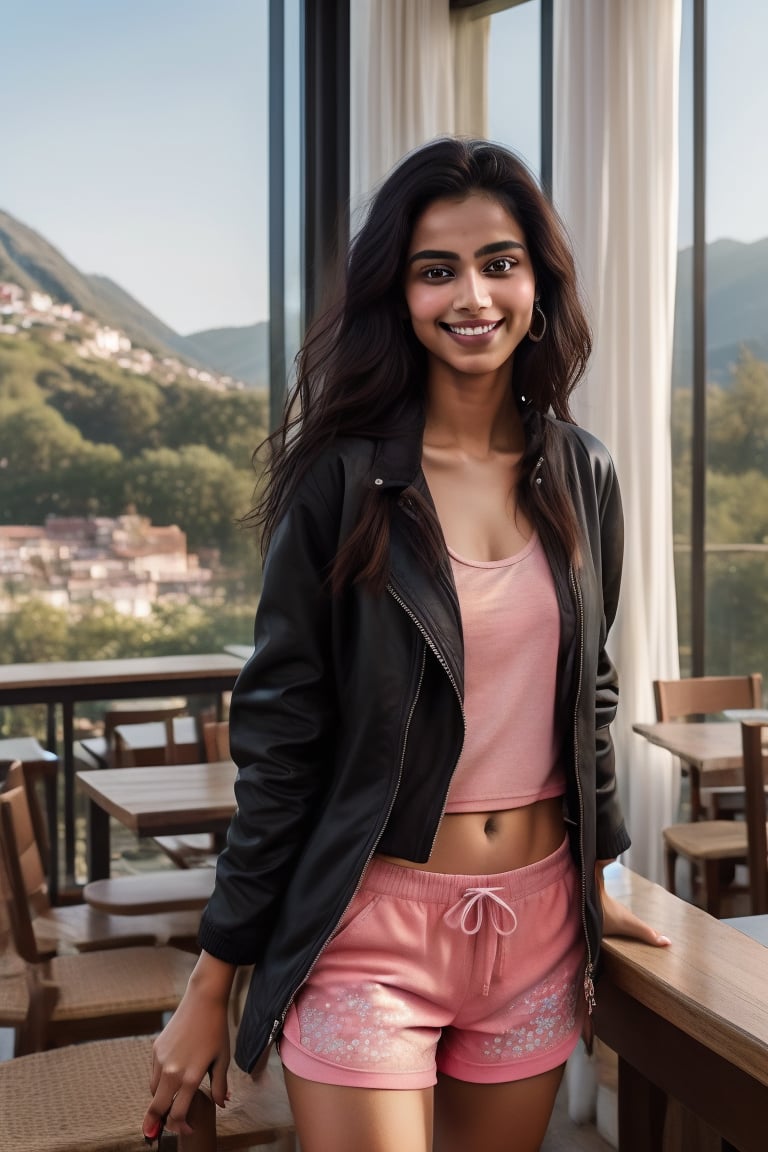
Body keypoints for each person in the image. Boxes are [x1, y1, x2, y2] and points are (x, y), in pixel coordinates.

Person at [143, 137, 670, 1152]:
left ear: (538, 282)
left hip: (540, 922)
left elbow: (588, 692)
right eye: (438, 271)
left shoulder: (583, 473)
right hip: (371, 929)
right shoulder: (339, 484)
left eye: (499, 262)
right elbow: (282, 740)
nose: (473, 295)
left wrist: (601, 876)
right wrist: (214, 974)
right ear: (402, 294)